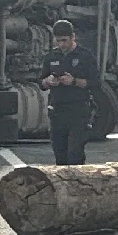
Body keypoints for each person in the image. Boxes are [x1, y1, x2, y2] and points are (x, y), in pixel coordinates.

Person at [38, 18, 100, 166]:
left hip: (78, 110)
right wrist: (48, 81)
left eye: (64, 40)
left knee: (75, 153)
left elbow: (95, 83)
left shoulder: (85, 56)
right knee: (60, 154)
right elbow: (40, 82)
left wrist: (73, 81)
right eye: (58, 41)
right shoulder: (51, 56)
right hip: (57, 110)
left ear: (73, 37)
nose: (61, 45)